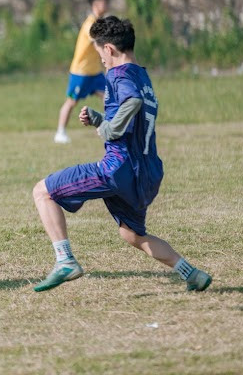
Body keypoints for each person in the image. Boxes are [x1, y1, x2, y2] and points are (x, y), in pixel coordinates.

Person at [31, 16, 212, 293]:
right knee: (132, 234)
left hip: (117, 168)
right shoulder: (142, 74)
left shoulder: (118, 74)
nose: (100, 59)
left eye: (98, 51)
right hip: (147, 172)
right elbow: (134, 113)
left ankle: (65, 260)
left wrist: (108, 128)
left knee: (42, 192)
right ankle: (192, 274)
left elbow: (131, 102)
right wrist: (99, 119)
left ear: (110, 49)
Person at [55, 0, 110, 144]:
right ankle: (60, 132)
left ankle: (113, 127)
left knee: (109, 97)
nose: (107, 5)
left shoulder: (100, 21)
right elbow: (97, 43)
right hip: (81, 72)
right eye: (104, 2)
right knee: (71, 101)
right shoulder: (90, 23)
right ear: (96, 4)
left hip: (95, 72)